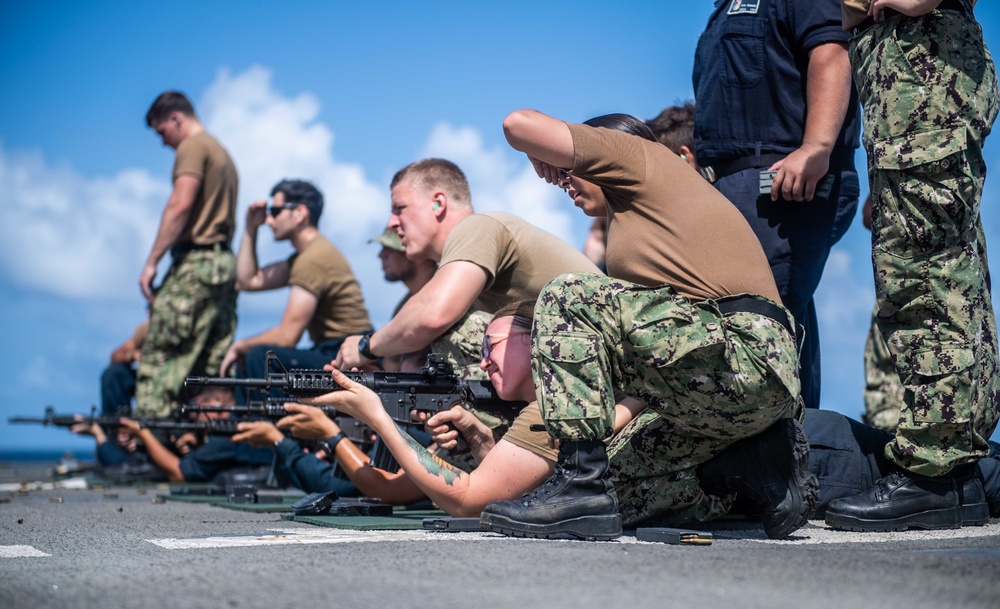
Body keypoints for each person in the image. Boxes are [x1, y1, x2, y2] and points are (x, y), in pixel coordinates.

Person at [469, 110, 815, 541]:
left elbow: (517, 125)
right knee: (613, 485)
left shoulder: (639, 156)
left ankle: (580, 487)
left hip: (747, 353)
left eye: (571, 173)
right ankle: (755, 470)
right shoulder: (636, 227)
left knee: (567, 295)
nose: (564, 184)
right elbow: (656, 349)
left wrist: (549, 156)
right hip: (722, 388)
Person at [825, 0, 999, 531]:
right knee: (945, 276)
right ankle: (958, 466)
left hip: (919, 69)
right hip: (912, 83)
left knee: (924, 281)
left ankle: (935, 475)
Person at [333, 159, 599, 436]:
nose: (391, 223)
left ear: (438, 202)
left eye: (400, 209)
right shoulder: (462, 267)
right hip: (577, 377)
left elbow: (431, 316)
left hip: (598, 378)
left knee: (454, 332)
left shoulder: (477, 227)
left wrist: (365, 347)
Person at [693, 0, 862, 410]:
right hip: (736, 188)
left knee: (762, 335)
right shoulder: (722, 11)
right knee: (766, 328)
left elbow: (832, 52)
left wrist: (817, 147)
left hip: (783, 184)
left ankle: (788, 461)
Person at [136, 91, 238, 418]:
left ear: (177, 119)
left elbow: (180, 205)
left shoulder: (193, 147)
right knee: (206, 361)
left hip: (196, 262)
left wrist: (152, 262)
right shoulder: (222, 152)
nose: (164, 143)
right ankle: (195, 440)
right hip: (222, 265)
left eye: (162, 132)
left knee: (162, 354)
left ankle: (148, 440)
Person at [220, 179, 372, 381]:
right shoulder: (307, 256)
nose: (269, 221)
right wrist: (250, 228)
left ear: (300, 213)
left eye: (275, 212)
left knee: (259, 358)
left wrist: (239, 346)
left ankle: (269, 414)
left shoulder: (312, 260)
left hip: (347, 353)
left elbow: (287, 337)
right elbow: (247, 281)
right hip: (333, 349)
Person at [367, 226, 438, 372]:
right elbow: (391, 366)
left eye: (390, 248)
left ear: (417, 253)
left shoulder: (447, 294)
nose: (381, 255)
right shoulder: (404, 307)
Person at [100, 319, 148, 416]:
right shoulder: (149, 328)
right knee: (114, 374)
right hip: (150, 379)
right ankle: (119, 424)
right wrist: (132, 355)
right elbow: (116, 356)